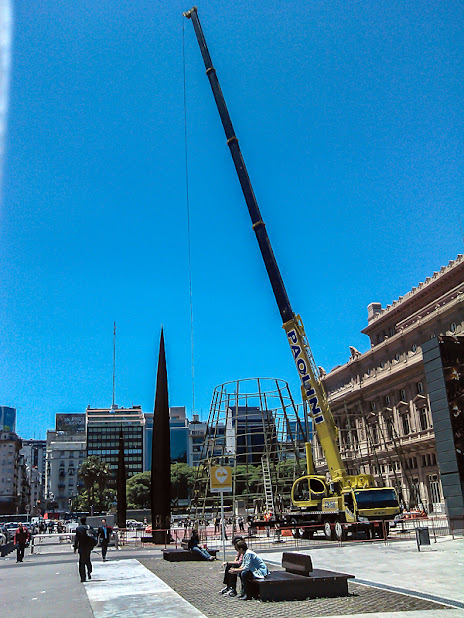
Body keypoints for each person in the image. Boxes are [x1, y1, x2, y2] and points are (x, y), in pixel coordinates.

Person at [73, 516, 95, 582]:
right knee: (87, 559)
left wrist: (75, 547)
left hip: (82, 546)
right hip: (88, 546)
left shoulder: (78, 528)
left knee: (81, 562)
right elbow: (94, 535)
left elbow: (77, 539)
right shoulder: (89, 527)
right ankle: (89, 571)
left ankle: (83, 577)